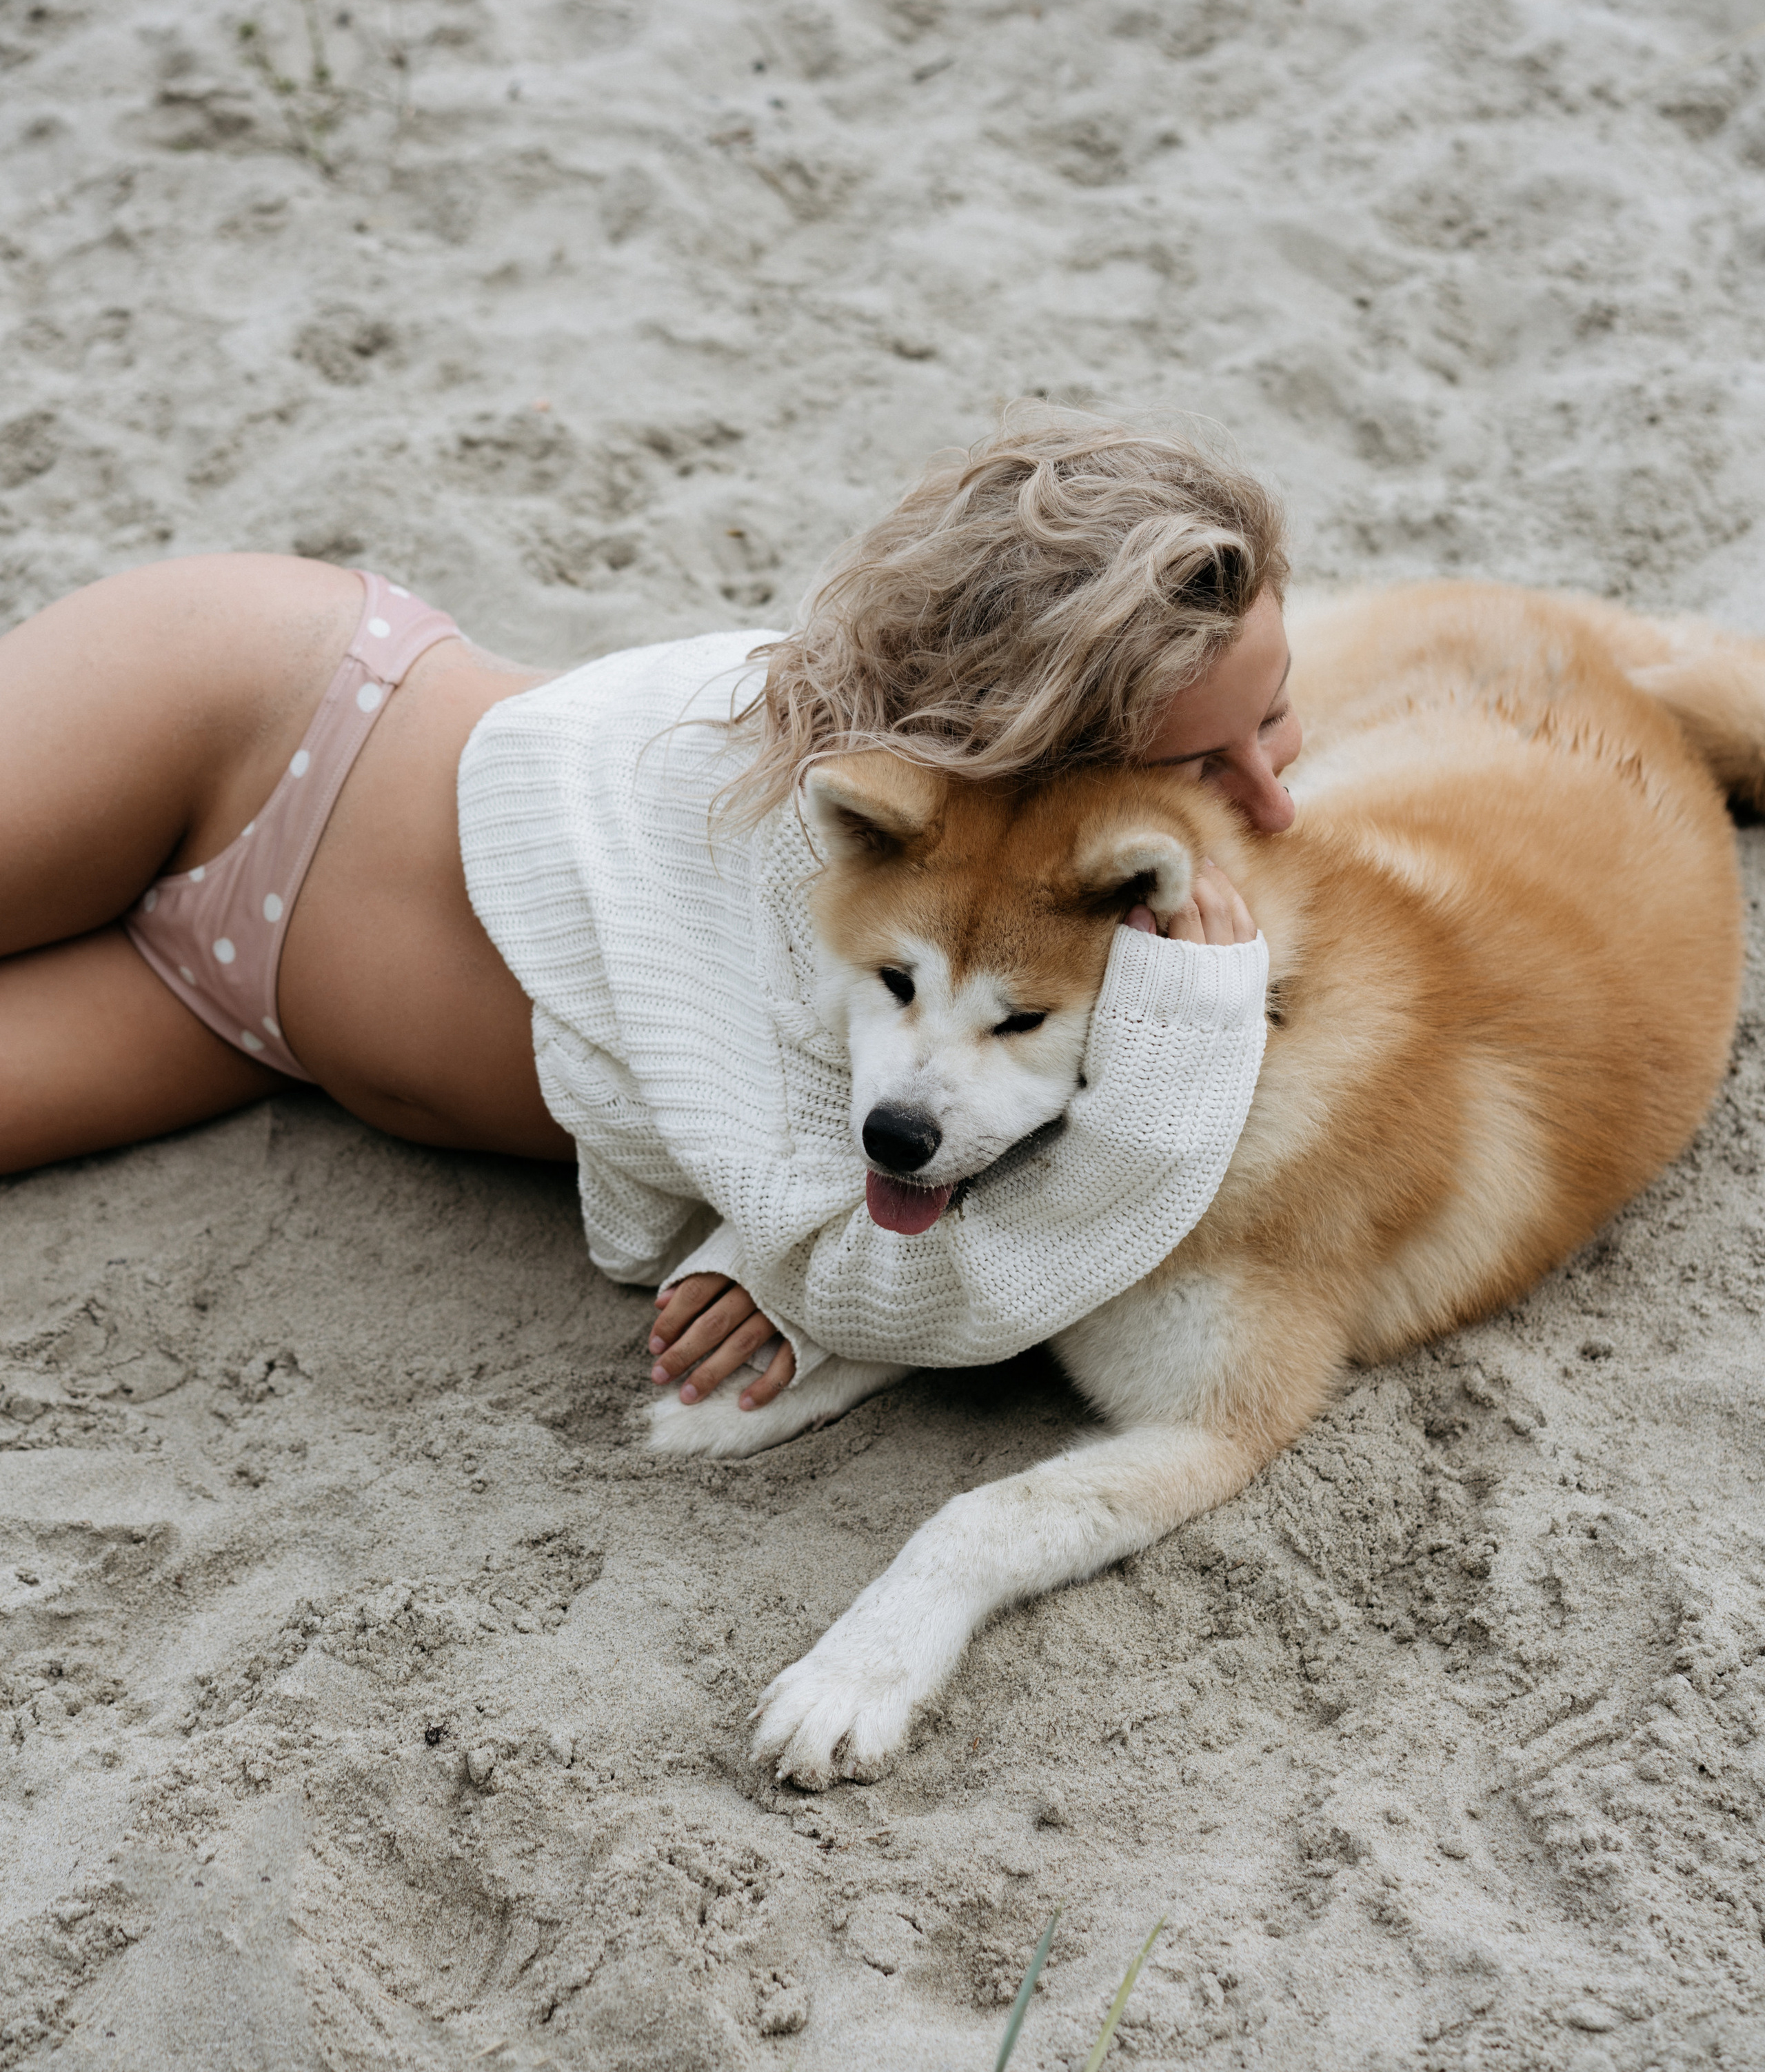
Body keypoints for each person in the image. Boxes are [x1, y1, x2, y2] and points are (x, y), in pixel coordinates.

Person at [0, 409, 1300, 1414]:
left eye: (1276, 712)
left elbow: (929, 1255)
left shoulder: (1067, 940)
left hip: (240, 1023)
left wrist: (782, 1253)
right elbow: (889, 1265)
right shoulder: (844, 843)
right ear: (1023, 749)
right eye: (1199, 764)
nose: (1272, 802)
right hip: (260, 717)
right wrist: (787, 1255)